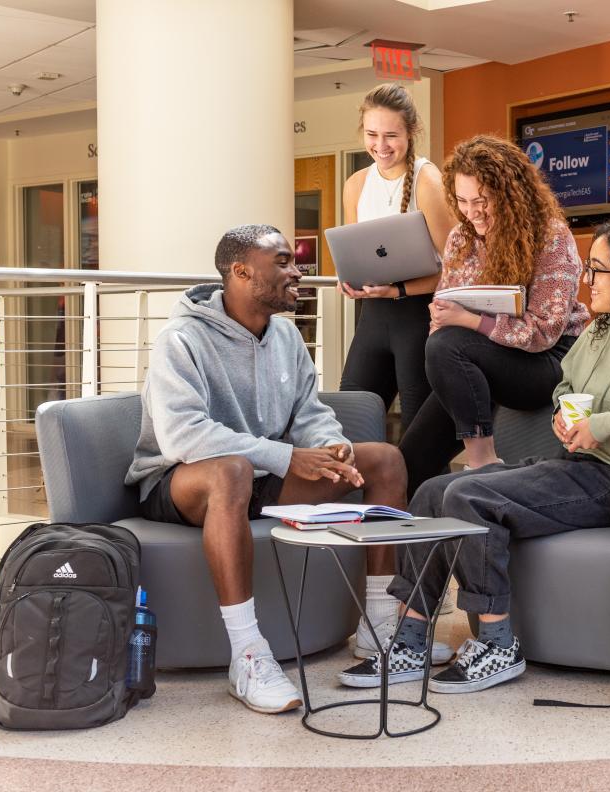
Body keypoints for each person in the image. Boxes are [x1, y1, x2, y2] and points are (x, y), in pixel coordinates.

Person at [339, 216, 610, 693]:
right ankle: (411, 638)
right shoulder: (603, 331)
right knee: (435, 491)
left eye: (598, 270)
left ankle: (497, 644)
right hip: (575, 467)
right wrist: (564, 411)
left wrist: (601, 426)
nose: (587, 280)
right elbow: (567, 382)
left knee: (471, 498)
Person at [126, 224, 406, 714]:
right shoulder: (182, 339)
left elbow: (308, 413)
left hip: (261, 477)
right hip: (182, 481)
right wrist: (286, 457)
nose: (297, 271)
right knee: (230, 470)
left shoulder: (285, 336)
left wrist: (331, 447)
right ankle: (249, 655)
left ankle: (380, 630)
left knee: (384, 458)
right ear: (240, 272)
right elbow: (182, 436)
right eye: (282, 262)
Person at [397, 133, 591, 498]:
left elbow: (544, 333)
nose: (473, 212)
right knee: (407, 465)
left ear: (511, 194)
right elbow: (444, 314)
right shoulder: (460, 238)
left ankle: (482, 462)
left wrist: (469, 321)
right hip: (480, 356)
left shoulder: (552, 237)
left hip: (550, 360)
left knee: (448, 344)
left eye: (483, 201)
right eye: (463, 201)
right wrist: (442, 315)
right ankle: (411, 543)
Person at [337, 84, 455, 665]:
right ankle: (362, 575)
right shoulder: (355, 184)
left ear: (410, 134)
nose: (381, 145)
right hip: (371, 317)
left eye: (391, 135)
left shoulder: (428, 181)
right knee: (346, 426)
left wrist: (401, 287)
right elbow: (354, 251)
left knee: (415, 452)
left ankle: (418, 590)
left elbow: (451, 267)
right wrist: (348, 277)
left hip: (414, 317)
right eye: (372, 135)